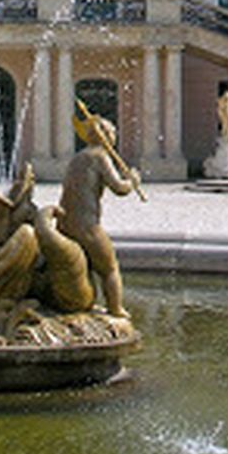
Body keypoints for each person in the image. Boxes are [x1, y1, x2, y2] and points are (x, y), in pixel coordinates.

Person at [59, 112, 139, 317]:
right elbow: (119, 188)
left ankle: (84, 304)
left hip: (65, 224)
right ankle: (115, 308)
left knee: (84, 266)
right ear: (103, 135)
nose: (115, 135)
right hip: (87, 225)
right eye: (112, 132)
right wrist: (133, 181)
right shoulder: (100, 157)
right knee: (109, 268)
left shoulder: (78, 157)